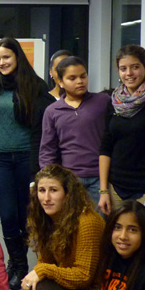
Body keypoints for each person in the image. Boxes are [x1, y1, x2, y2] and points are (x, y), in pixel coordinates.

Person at [5, 164, 104, 290]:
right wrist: (36, 281)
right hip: (70, 288)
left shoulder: (87, 221)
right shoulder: (48, 219)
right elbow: (44, 262)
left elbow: (84, 277)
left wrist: (43, 273)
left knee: (39, 289)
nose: (46, 198)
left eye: (54, 190)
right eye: (41, 190)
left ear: (68, 193)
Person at [0, 37, 51, 290]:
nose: (2, 63)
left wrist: (37, 168)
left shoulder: (35, 86)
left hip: (26, 158)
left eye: (6, 57)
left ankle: (20, 263)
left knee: (26, 214)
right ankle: (18, 263)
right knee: (7, 214)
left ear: (17, 58)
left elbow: (40, 131)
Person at [98, 45, 145, 215]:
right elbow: (106, 146)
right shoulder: (114, 101)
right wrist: (103, 190)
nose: (129, 73)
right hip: (116, 187)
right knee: (117, 239)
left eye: (135, 67)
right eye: (123, 69)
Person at [40, 56, 110, 208]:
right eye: (72, 78)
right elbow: (48, 149)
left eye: (83, 76)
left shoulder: (103, 102)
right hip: (69, 178)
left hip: (100, 177)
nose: (80, 81)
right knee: (70, 225)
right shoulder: (52, 111)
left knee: (98, 226)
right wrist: (49, 181)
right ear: (60, 82)